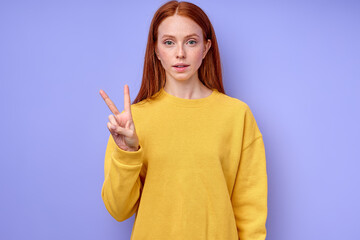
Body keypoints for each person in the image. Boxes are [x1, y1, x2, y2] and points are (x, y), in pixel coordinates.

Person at [99, 1, 268, 239]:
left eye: (191, 41)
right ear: (156, 50)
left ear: (206, 47)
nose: (180, 53)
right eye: (169, 42)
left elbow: (251, 212)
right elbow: (118, 210)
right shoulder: (132, 121)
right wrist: (128, 152)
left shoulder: (237, 115)